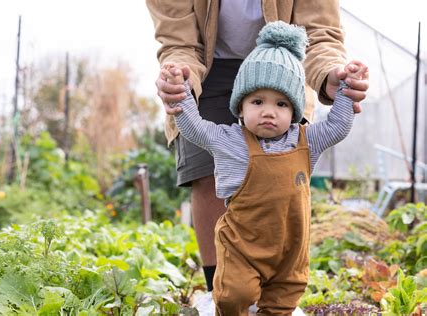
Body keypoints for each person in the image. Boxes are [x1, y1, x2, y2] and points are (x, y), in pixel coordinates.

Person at [146, 0, 370, 295]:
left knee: (282, 171)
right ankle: (223, 293)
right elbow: (178, 39)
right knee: (207, 171)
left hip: (283, 64)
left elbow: (320, 31)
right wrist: (181, 84)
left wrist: (330, 75)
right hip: (208, 66)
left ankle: (277, 290)